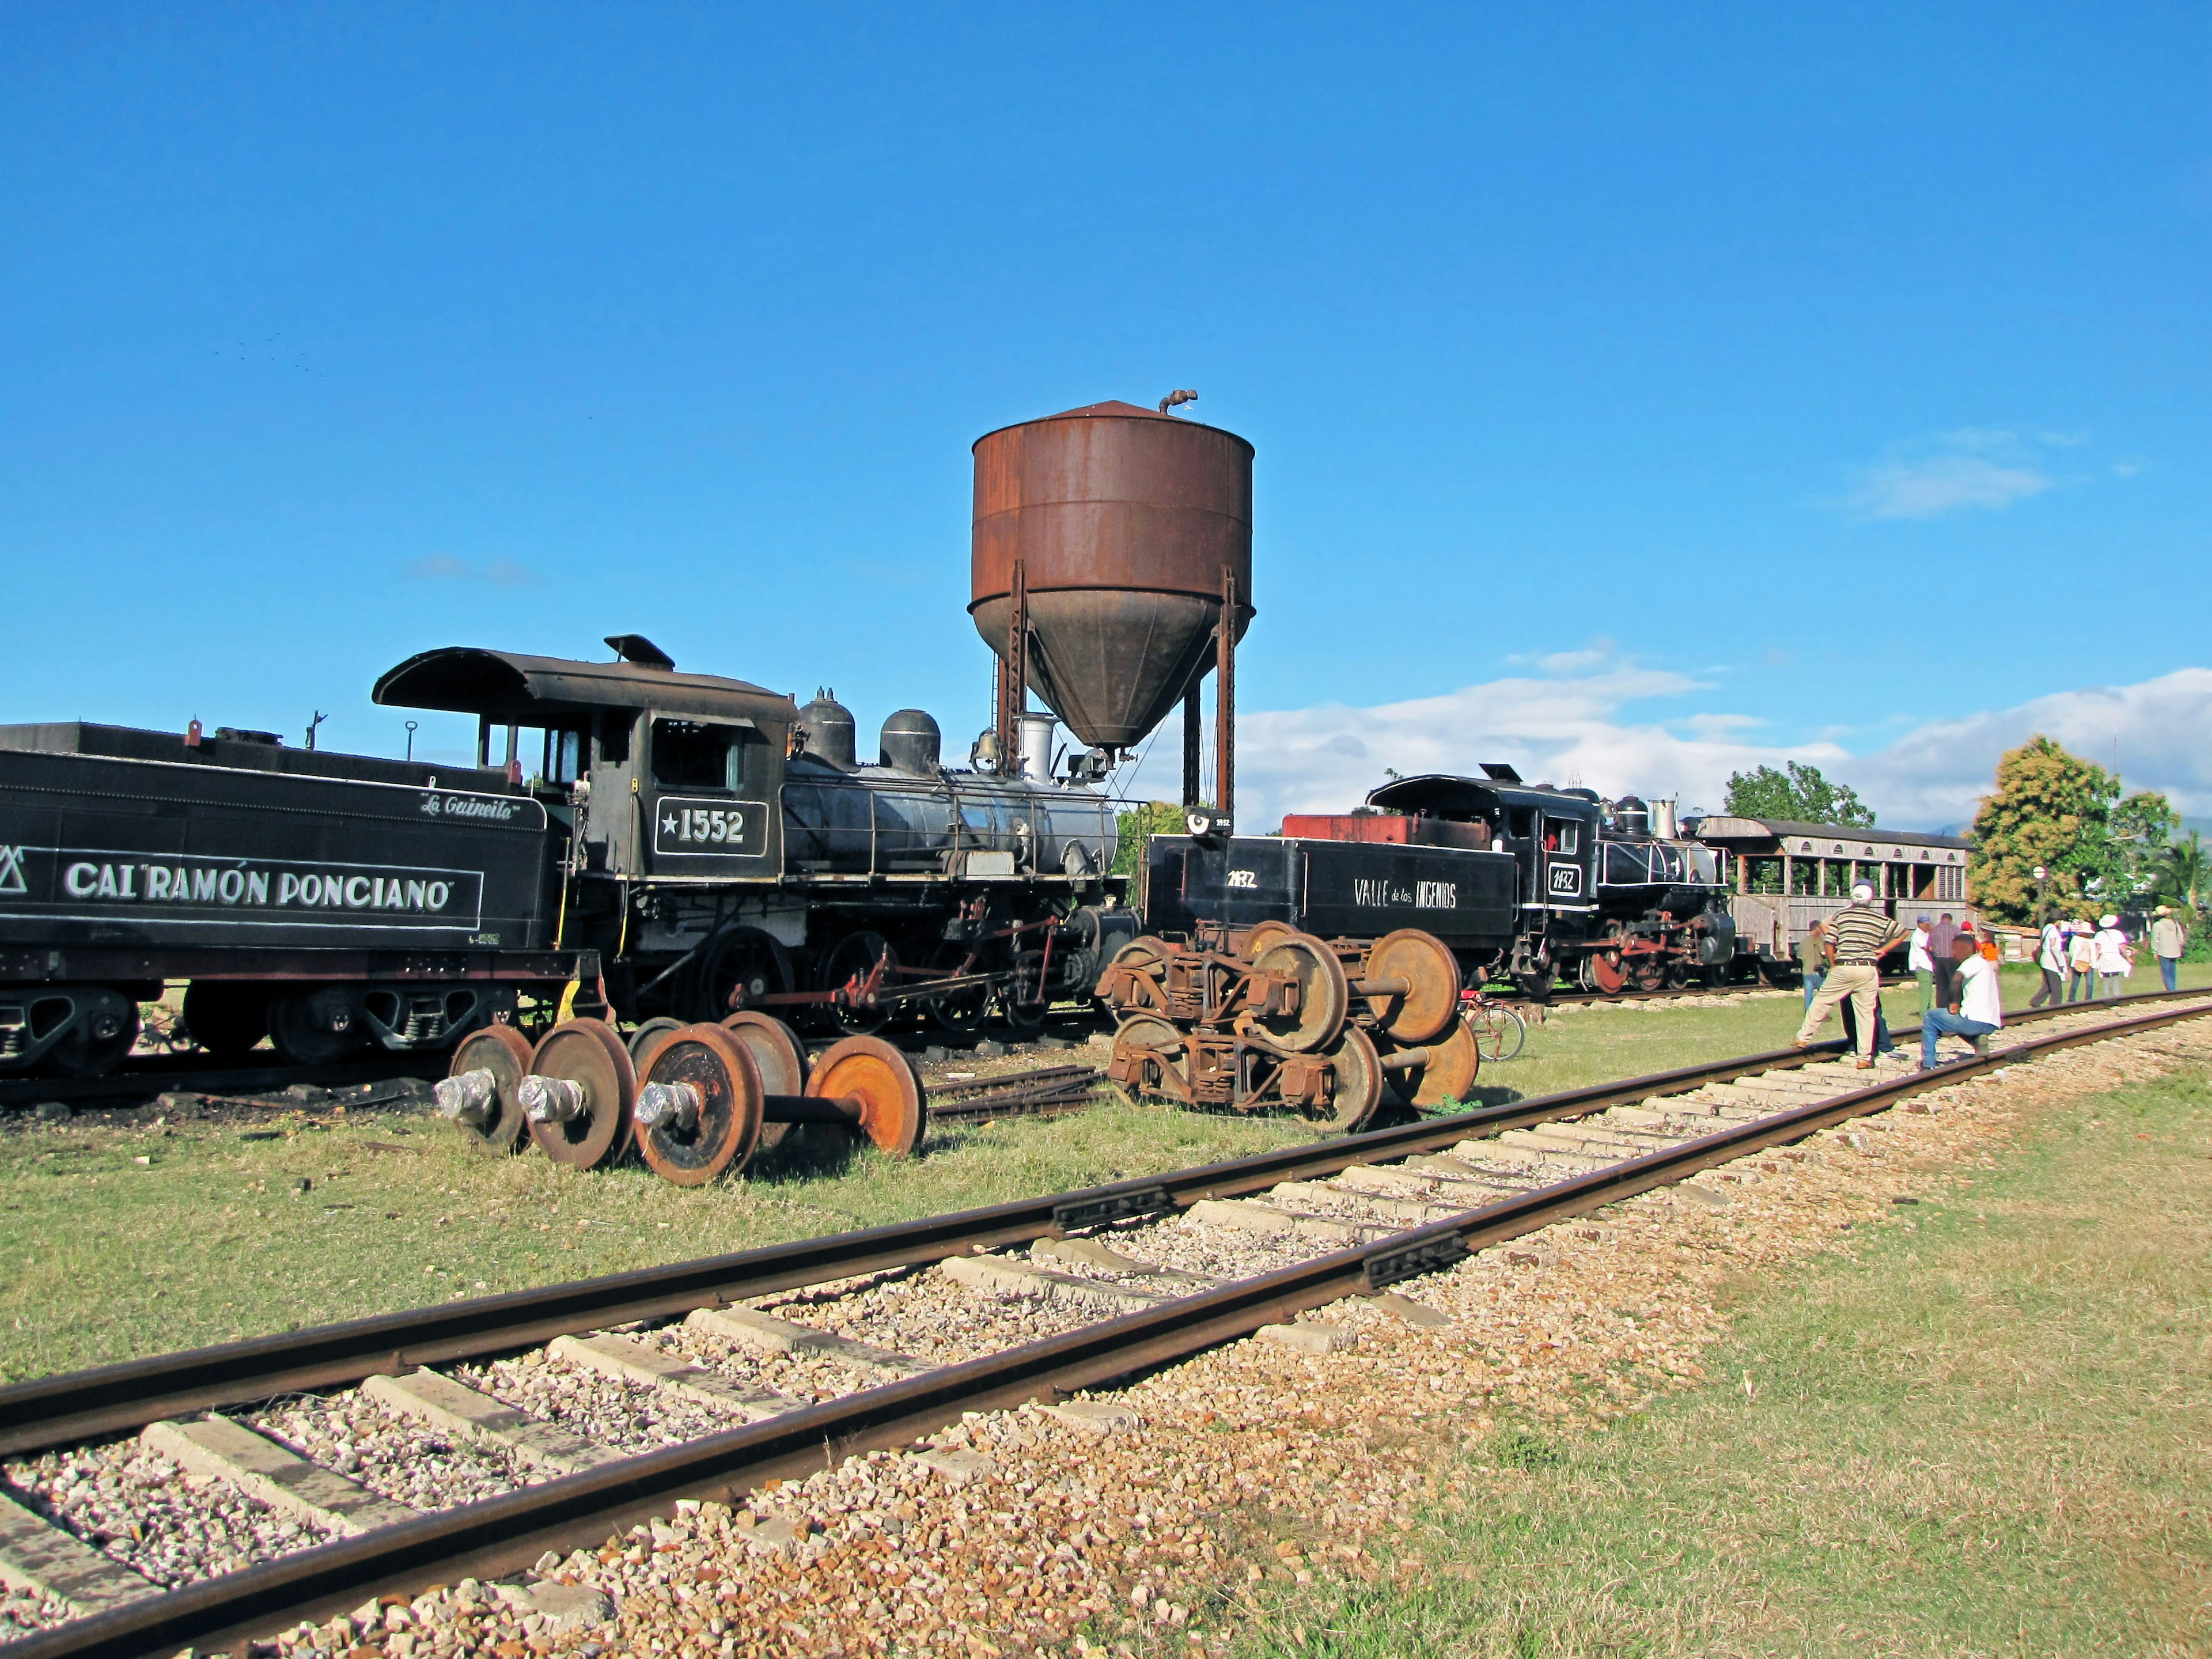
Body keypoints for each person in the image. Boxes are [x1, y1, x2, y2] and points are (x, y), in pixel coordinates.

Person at [1796, 882, 1907, 1069]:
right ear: (1871, 899)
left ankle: (1803, 1037)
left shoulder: (1841, 916)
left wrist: (1833, 964)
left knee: (1822, 1001)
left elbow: (1829, 942)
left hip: (1844, 966)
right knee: (1866, 1014)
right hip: (1867, 969)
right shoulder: (1878, 918)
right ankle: (1864, 1057)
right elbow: (1902, 932)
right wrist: (1883, 950)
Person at [1922, 926, 2004, 1069]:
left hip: (1974, 1022)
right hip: (1990, 1022)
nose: (1953, 953)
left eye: (1956, 949)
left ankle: (1928, 1063)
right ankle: (1978, 1041)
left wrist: (1953, 1003)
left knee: (1931, 1017)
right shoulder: (1983, 964)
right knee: (1955, 1016)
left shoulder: (1972, 963)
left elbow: (1956, 979)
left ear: (1967, 949)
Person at [2029, 913, 2067, 1008]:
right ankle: (2056, 1006)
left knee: (2048, 985)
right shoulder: (2053, 930)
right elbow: (2053, 947)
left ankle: (2036, 1001)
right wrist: (2061, 962)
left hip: (2045, 959)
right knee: (2056, 986)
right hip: (2051, 960)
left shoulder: (2047, 928)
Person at [1927, 912, 1960, 1012]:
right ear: (1950, 920)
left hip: (1939, 960)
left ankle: (1941, 1007)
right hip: (1952, 960)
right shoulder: (1955, 929)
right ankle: (1954, 1005)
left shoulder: (1934, 930)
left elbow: (1930, 947)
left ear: (1942, 919)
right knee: (1954, 983)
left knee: (1941, 986)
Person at [2094, 914, 2132, 998]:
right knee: (2116, 976)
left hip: (2104, 956)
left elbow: (2098, 948)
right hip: (2115, 955)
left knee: (2106, 977)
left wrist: (2095, 960)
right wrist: (2127, 957)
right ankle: (2117, 995)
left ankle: (2105, 996)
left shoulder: (2099, 934)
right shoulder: (2118, 933)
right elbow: (2122, 947)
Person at [2151, 905, 2187, 993]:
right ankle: (2173, 988)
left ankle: (2170, 991)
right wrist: (2179, 946)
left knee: (2166, 972)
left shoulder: (2157, 925)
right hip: (2175, 951)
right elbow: (2181, 937)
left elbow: (2155, 939)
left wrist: (2155, 951)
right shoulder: (2175, 923)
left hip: (2163, 951)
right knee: (2173, 972)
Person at [1797, 919, 1829, 1012]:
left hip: (1806, 971)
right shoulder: (1819, 939)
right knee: (1824, 994)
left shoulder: (1803, 941)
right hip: (1816, 971)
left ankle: (1808, 1014)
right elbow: (1824, 953)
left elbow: (1799, 956)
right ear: (1818, 929)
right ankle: (1821, 1013)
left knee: (1808, 995)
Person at [2067, 919, 2097, 1003]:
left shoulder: (2091, 941)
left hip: (2089, 964)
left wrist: (2094, 965)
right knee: (2075, 983)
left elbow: (2093, 953)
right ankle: (2072, 999)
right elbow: (2072, 950)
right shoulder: (2076, 939)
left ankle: (2089, 1000)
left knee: (2090, 983)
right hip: (2078, 962)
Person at [1909, 916, 1935, 1013]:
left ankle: (1928, 1011)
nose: (1929, 926)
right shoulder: (1918, 935)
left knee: (1929, 990)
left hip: (1927, 965)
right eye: (1927, 924)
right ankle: (1924, 1013)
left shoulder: (1925, 934)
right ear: (1920, 924)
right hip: (1921, 965)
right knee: (1925, 991)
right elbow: (1928, 947)